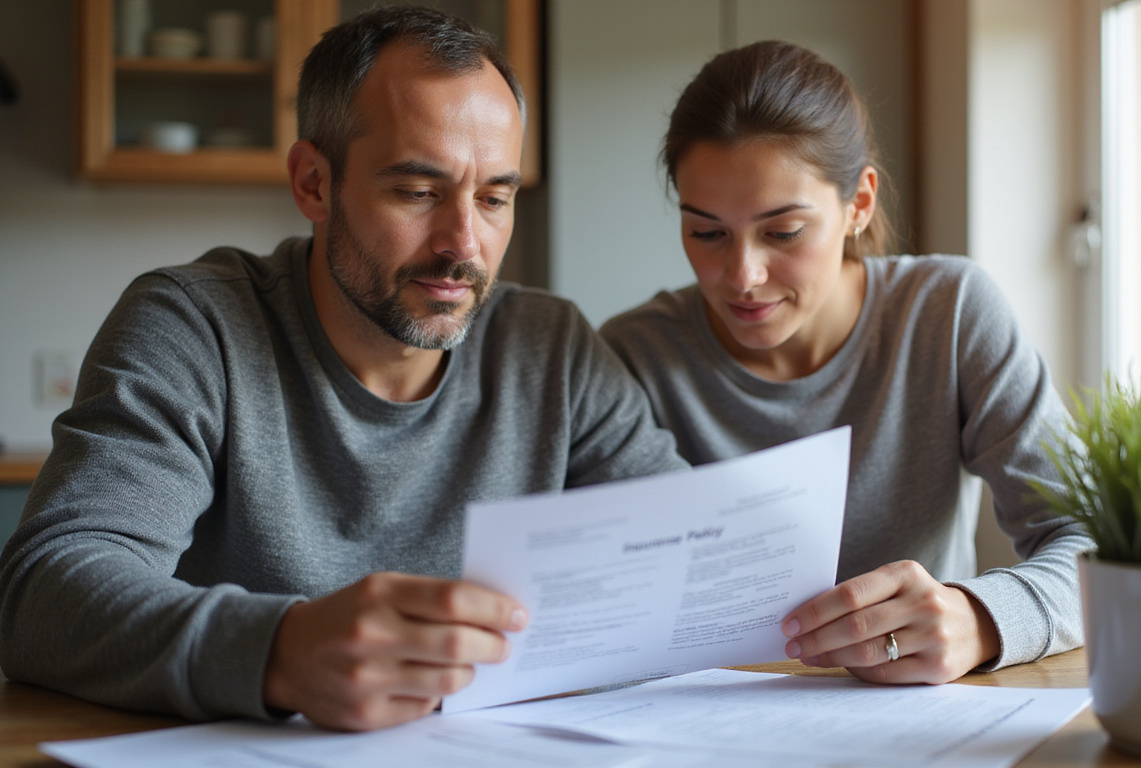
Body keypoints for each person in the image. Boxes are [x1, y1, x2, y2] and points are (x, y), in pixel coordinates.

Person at [0, 7, 686, 732]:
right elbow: (43, 594)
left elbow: (688, 551)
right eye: (418, 192)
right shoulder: (193, 327)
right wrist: (280, 652)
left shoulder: (551, 348)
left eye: (494, 198)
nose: (465, 245)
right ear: (313, 184)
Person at [600, 41, 1090, 685]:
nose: (742, 276)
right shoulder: (634, 356)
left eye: (783, 232)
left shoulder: (948, 313)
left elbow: (1094, 541)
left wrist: (979, 616)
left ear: (858, 203)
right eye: (707, 231)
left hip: (918, 721)